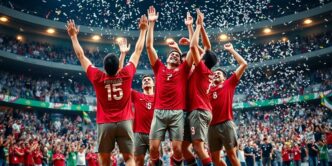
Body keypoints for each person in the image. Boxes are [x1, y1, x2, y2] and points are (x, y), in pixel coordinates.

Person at [66, 13, 148, 166]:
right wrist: (143, 31)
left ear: (103, 67)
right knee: (129, 158)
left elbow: (81, 55)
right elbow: (137, 51)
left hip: (105, 123)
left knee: (104, 160)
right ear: (119, 67)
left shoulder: (98, 77)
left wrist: (73, 37)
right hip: (125, 122)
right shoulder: (126, 74)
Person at [145, 6, 193, 166]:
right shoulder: (159, 67)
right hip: (158, 112)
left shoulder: (183, 69)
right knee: (153, 148)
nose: (174, 55)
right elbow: (149, 47)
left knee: (178, 150)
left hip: (177, 113)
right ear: (166, 59)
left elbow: (193, 49)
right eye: (171, 54)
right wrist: (151, 24)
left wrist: (190, 27)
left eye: (177, 56)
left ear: (180, 61)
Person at [208, 41, 248, 166]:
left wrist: (231, 50)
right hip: (211, 126)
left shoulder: (228, 84)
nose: (215, 75)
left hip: (226, 123)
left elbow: (244, 64)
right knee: (215, 159)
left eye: (218, 73)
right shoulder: (207, 89)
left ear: (224, 77)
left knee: (232, 155)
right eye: (214, 73)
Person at [187, 9, 217, 166]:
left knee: (198, 146)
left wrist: (198, 25)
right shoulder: (208, 72)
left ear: (203, 60)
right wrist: (191, 27)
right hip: (205, 110)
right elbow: (202, 47)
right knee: (194, 146)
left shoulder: (202, 69)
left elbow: (194, 46)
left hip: (198, 111)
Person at [131, 75, 155, 166]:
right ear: (141, 86)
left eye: (149, 79)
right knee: (138, 162)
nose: (146, 81)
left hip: (155, 134)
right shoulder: (137, 95)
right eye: (144, 80)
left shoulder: (159, 97)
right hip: (139, 134)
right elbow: (124, 86)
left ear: (153, 84)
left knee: (155, 162)